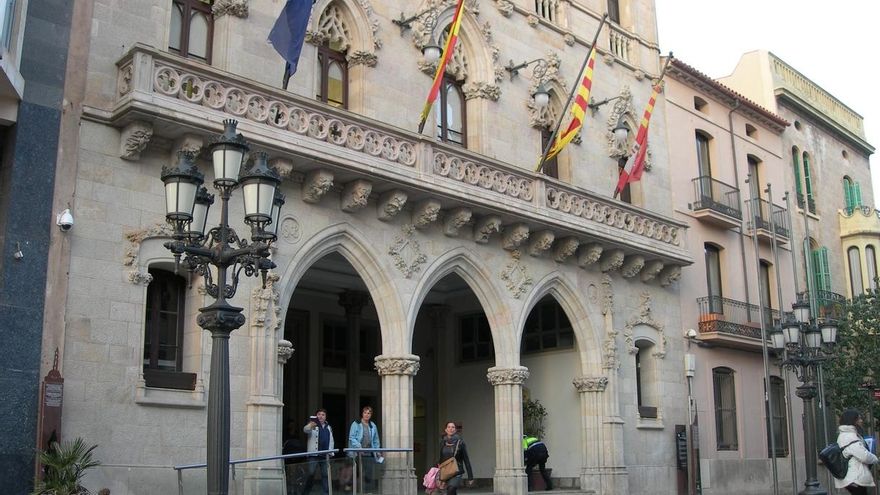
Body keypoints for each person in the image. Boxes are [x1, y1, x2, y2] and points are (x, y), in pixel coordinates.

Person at [834, 409, 878, 495]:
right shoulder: (849, 436)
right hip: (855, 477)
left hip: (854, 476)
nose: (861, 421)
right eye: (859, 419)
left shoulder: (848, 434)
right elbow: (863, 456)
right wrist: (875, 458)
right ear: (853, 420)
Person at [348, 406, 382, 491]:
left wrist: (377, 451)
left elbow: (375, 440)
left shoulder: (372, 425)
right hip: (357, 453)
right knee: (356, 473)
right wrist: (359, 447)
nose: (367, 415)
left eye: (369, 413)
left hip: (369, 453)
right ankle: (350, 489)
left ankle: (368, 492)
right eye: (365, 413)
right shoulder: (356, 423)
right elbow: (352, 438)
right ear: (362, 414)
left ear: (371, 415)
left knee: (368, 474)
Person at [303, 408, 335, 495]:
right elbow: (305, 430)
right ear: (316, 416)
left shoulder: (329, 427)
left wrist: (331, 452)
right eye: (319, 414)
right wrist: (310, 425)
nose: (321, 416)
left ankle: (326, 493)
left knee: (325, 475)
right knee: (311, 473)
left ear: (325, 417)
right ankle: (306, 492)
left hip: (325, 455)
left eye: (323, 415)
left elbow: (331, 440)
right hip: (313, 454)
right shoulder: (313, 425)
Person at [438, 420, 474, 495]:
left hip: (457, 471)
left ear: (455, 430)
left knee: (451, 488)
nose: (451, 429)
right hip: (446, 471)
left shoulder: (460, 442)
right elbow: (441, 458)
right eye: (449, 427)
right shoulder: (443, 442)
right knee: (451, 491)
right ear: (446, 430)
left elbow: (466, 459)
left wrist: (470, 476)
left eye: (453, 427)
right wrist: (439, 474)